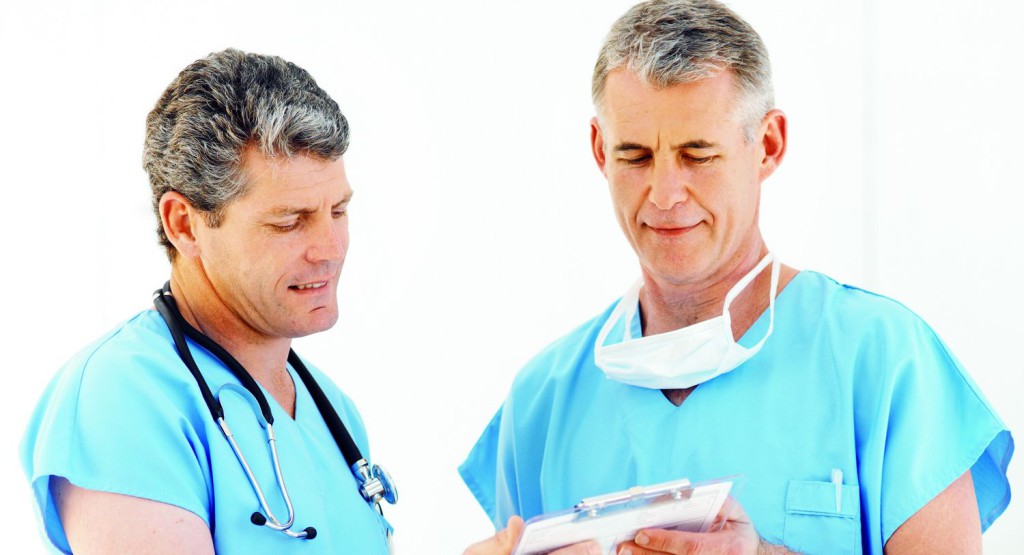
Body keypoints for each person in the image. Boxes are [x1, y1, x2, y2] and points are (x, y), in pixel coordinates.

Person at [459, 1, 1013, 554]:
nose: (665, 195)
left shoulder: (884, 361)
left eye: (697, 155)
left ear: (767, 145)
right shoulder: (542, 401)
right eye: (635, 156)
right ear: (601, 151)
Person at [20, 49, 396, 553]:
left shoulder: (333, 412)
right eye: (289, 222)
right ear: (184, 224)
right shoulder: (121, 399)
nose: (330, 249)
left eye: (338, 211)